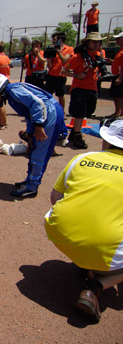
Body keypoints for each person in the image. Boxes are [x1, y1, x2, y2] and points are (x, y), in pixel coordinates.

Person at [44, 118, 123, 322]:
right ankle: (96, 286)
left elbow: (55, 198)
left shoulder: (81, 158)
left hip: (61, 232)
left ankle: (88, 263)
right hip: (104, 243)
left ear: (106, 141)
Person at [0, 74, 63, 198]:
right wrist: (30, 134)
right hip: (45, 114)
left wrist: (38, 126)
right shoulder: (11, 94)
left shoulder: (13, 90)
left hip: (49, 113)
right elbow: (29, 114)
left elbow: (37, 104)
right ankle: (30, 181)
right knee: (34, 150)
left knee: (39, 153)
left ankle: (32, 187)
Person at [62, 31, 106, 149]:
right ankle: (77, 136)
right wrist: (77, 75)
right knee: (80, 113)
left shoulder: (99, 54)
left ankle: (74, 133)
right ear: (88, 43)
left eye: (98, 42)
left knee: (89, 111)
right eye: (94, 42)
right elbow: (64, 71)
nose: (96, 44)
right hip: (80, 88)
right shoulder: (78, 57)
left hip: (93, 86)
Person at [44, 31, 74, 111]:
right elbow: (49, 66)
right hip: (51, 75)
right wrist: (49, 57)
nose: (53, 41)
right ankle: (49, 111)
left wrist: (58, 51)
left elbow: (64, 60)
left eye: (55, 39)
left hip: (61, 76)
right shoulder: (52, 49)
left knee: (61, 95)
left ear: (60, 40)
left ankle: (61, 111)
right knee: (48, 95)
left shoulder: (69, 49)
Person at [107, 32, 123, 117]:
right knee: (115, 94)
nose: (116, 41)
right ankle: (117, 112)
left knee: (120, 96)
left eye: (118, 39)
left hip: (120, 76)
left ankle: (122, 114)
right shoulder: (121, 49)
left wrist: (120, 78)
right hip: (116, 75)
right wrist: (112, 62)